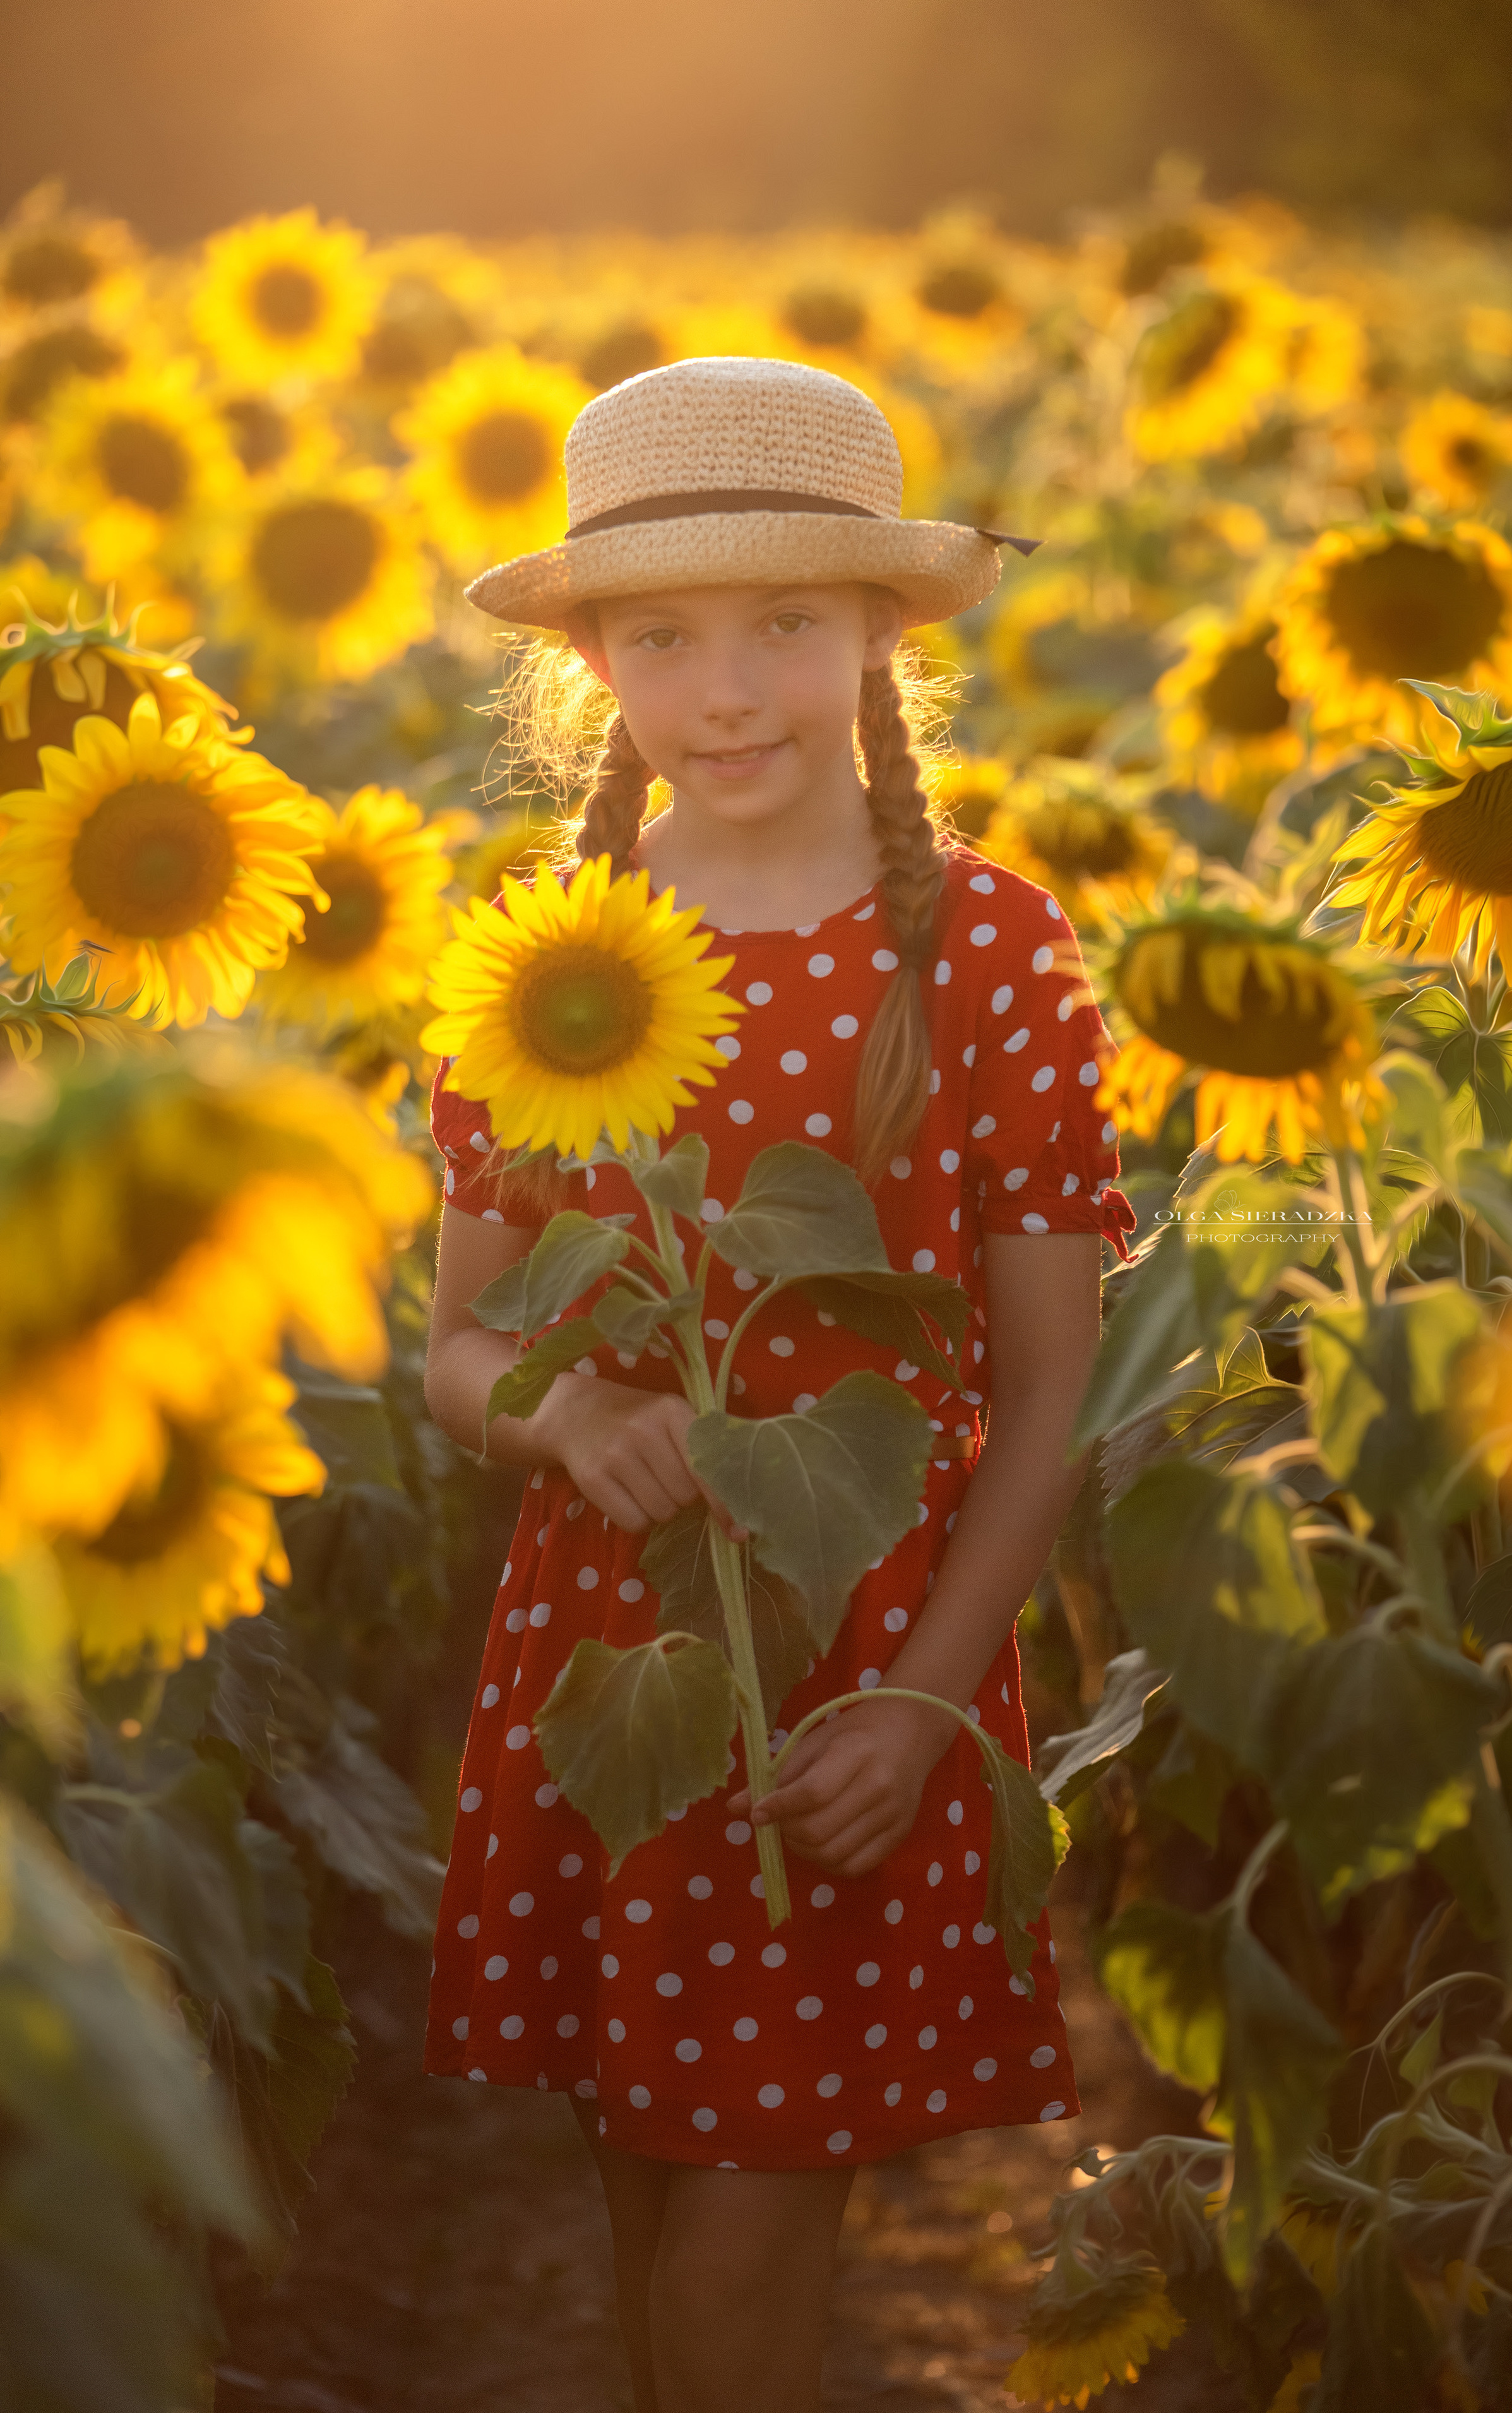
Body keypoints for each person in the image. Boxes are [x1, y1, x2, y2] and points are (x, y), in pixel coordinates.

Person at [421, 355, 1136, 2413]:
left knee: (741, 2242)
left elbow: (1045, 1387)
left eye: (786, 627)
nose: (724, 689)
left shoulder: (984, 954)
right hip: (619, 1658)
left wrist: (924, 1697)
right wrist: (556, 1415)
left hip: (866, 1665)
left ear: (883, 636)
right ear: (592, 663)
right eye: (662, 637)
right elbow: (457, 1342)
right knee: (655, 2202)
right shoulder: (554, 955)